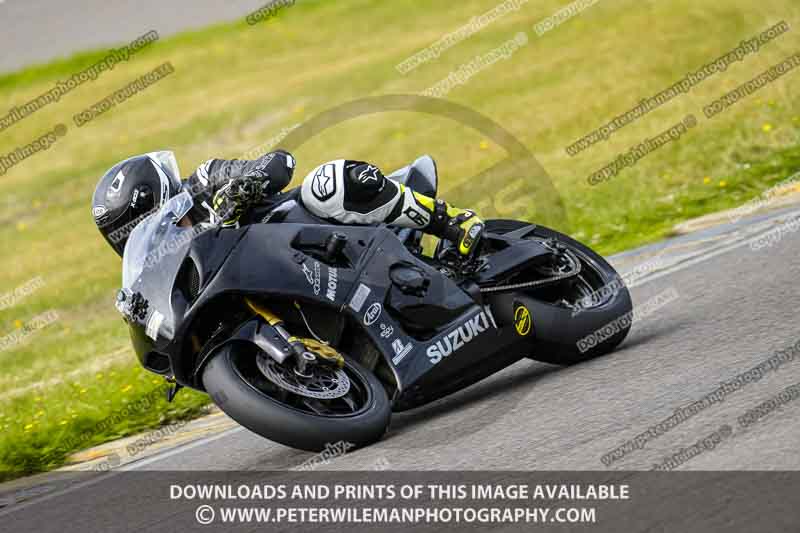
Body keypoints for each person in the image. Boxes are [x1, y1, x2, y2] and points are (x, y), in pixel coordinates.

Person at [92, 150, 484, 258]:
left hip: (319, 231)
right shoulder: (173, 269)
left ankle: (449, 221)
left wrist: (244, 185)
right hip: (282, 278)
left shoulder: (206, 181)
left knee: (325, 183)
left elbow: (280, 163)